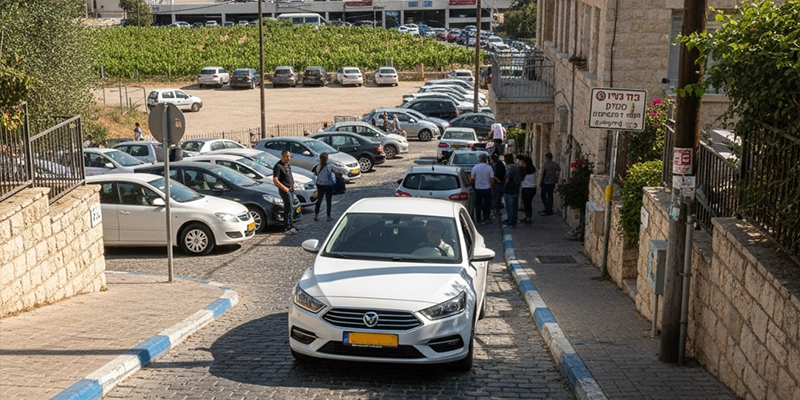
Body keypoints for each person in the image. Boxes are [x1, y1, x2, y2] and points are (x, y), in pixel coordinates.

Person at [273, 150, 298, 234]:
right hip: (285, 190)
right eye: (287, 156)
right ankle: (287, 227)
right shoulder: (278, 166)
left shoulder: (287, 165)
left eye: (289, 156)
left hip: (291, 189)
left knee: (291, 207)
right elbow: (275, 180)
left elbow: (289, 175)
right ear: (283, 156)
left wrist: (292, 184)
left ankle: (291, 224)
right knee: (288, 208)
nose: (289, 158)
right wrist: (284, 188)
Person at [471, 153, 494, 224]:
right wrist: (492, 187)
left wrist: (477, 180)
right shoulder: (489, 168)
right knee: (487, 204)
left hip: (478, 188)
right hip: (487, 188)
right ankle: (486, 217)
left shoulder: (475, 167)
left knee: (478, 204)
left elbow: (472, 177)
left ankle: (478, 219)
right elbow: (492, 179)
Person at [313, 152, 336, 221]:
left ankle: (316, 215)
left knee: (319, 200)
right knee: (328, 201)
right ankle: (328, 216)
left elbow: (316, 174)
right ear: (327, 159)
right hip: (328, 185)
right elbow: (336, 172)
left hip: (320, 185)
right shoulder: (330, 166)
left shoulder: (317, 166)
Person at [503, 153, 521, 228]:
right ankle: (513, 221)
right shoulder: (517, 167)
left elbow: (507, 180)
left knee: (510, 207)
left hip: (509, 190)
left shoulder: (510, 168)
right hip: (516, 189)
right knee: (515, 207)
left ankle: (511, 222)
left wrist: (504, 187)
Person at [540, 152, 561, 216]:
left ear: (547, 158)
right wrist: (556, 179)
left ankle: (547, 208)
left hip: (546, 182)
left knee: (543, 195)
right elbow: (558, 171)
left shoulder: (546, 165)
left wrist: (540, 182)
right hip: (552, 182)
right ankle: (550, 208)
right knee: (550, 196)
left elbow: (543, 174)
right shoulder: (555, 164)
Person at [519, 155, 537, 223]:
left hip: (526, 188)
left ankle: (527, 217)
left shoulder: (524, 170)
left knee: (527, 204)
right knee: (529, 203)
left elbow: (521, 178)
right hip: (533, 188)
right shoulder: (533, 169)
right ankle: (529, 216)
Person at [491, 153, 505, 220]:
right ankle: (498, 210)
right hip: (502, 183)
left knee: (496, 197)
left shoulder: (494, 166)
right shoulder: (502, 164)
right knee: (499, 197)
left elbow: (493, 175)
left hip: (497, 183)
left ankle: (495, 211)